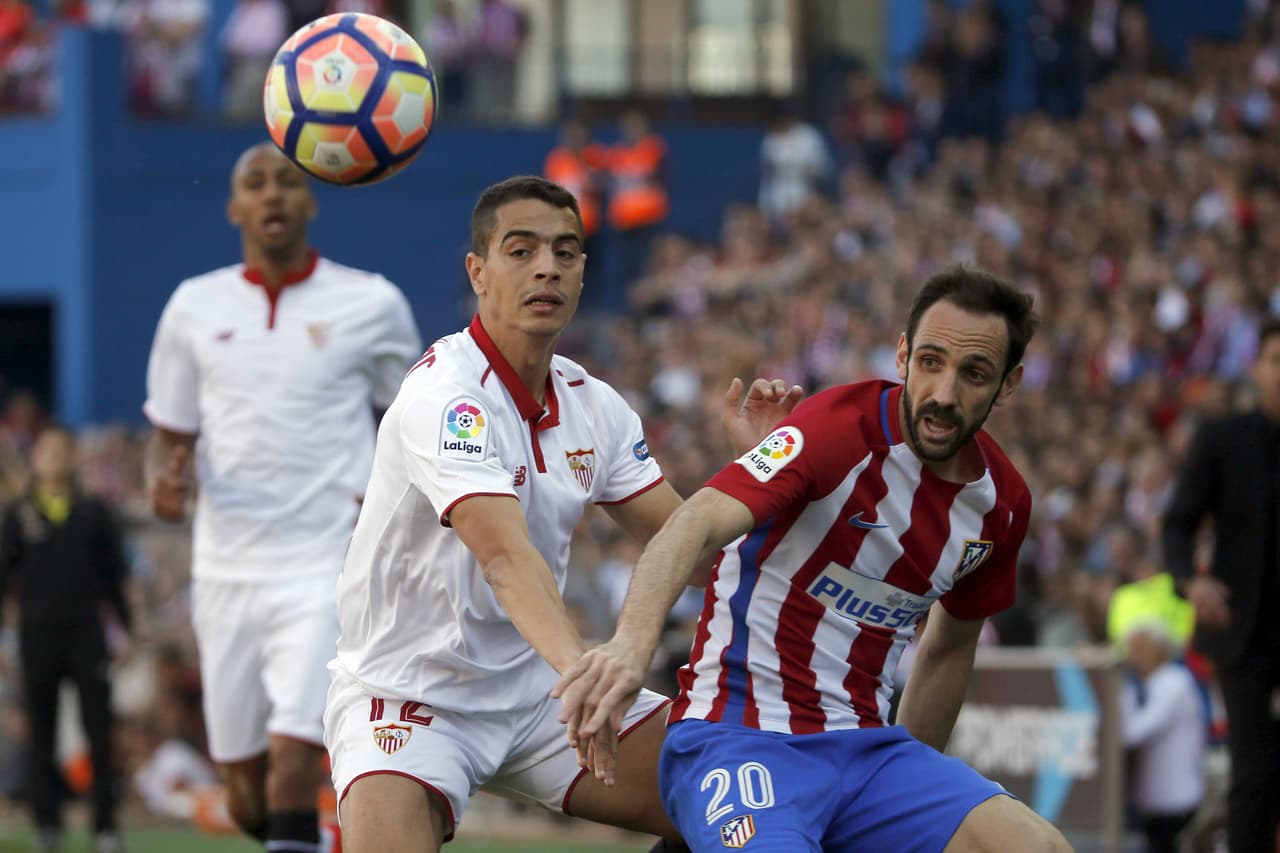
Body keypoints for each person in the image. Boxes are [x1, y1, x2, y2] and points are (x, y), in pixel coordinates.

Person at [323, 175, 801, 853]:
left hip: (536, 690)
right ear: (478, 272)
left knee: (758, 794)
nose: (547, 265)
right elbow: (504, 557)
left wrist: (757, 475)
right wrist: (586, 675)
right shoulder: (444, 396)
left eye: (566, 252)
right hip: (408, 693)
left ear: (580, 277)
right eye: (521, 251)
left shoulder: (595, 405)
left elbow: (693, 555)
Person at [554, 267, 1073, 852]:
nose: (945, 394)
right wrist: (630, 645)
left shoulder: (1000, 505)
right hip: (740, 737)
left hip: (869, 757)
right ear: (902, 355)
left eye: (974, 374)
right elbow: (694, 522)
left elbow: (950, 647)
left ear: (1007, 384)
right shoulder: (835, 429)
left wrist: (907, 815)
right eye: (930, 362)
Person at [143, 142, 422, 853]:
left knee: (295, 763)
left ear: (313, 198)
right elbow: (169, 437)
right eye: (256, 184)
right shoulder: (193, 307)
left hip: (324, 563)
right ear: (234, 206)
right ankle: (316, 839)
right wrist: (164, 483)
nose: (272, 194)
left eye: (288, 182)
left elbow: (415, 419)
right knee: (247, 794)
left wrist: (391, 510)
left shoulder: (371, 302)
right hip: (226, 570)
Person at [1162, 315, 1280, 853]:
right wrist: (1190, 583)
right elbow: (1178, 522)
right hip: (1245, 630)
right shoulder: (1223, 439)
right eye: (1277, 361)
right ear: (1255, 367)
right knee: (1253, 775)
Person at [0, 425, 132, 853]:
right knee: (42, 732)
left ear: (73, 457)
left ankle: (105, 827)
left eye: (62, 450)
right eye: (47, 450)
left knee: (99, 731)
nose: (54, 458)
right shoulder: (19, 514)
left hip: (86, 635)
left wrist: (126, 631)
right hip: (37, 635)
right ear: (35, 458)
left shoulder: (93, 512)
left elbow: (115, 579)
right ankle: (48, 824)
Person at [1118, 619, 1206, 853]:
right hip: (1154, 803)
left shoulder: (1174, 683)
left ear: (1158, 648)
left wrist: (1117, 685)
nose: (1131, 655)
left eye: (1137, 647)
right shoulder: (1151, 684)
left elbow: (1133, 732)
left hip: (1174, 802)